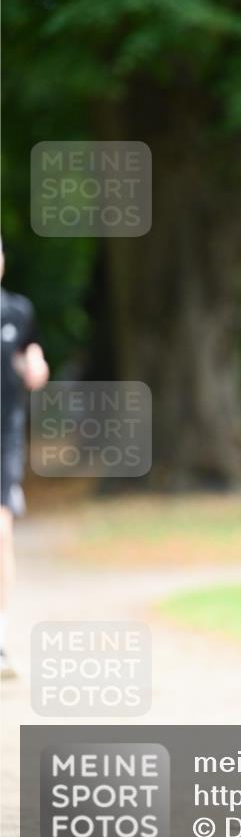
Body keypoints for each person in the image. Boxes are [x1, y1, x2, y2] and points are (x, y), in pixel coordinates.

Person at [1, 238, 49, 679]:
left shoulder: (17, 310)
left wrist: (35, 366)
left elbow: (32, 354)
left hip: (4, 435)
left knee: (0, 530)